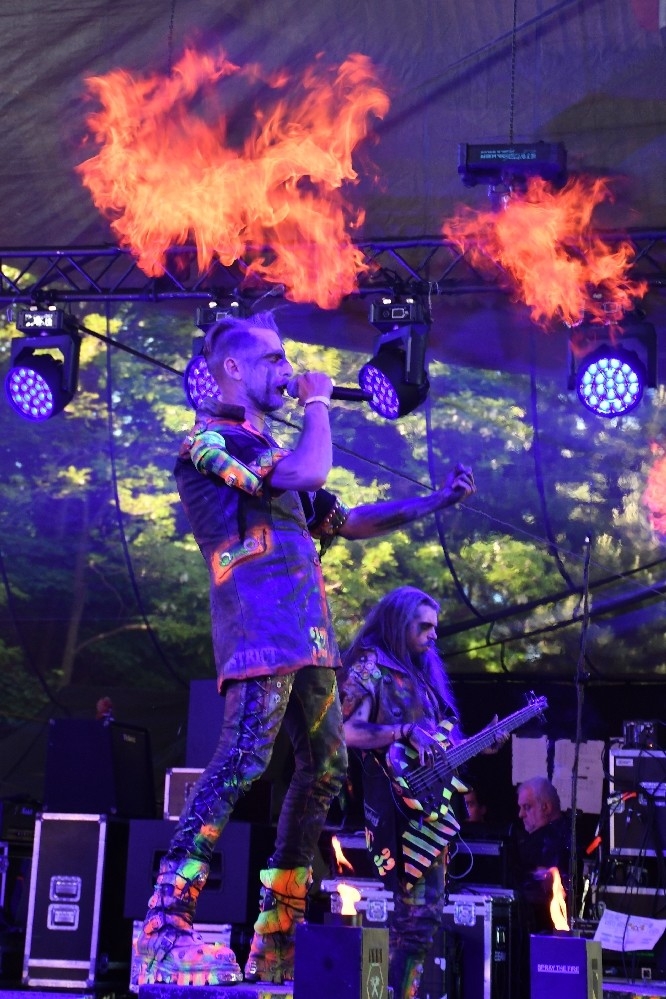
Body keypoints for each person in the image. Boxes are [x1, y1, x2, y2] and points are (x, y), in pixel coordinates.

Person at [133, 311, 477, 987]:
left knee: (324, 769)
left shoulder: (274, 461)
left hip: (310, 640)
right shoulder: (210, 443)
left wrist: (436, 501)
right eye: (272, 359)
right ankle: (165, 925)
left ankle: (277, 934)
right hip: (260, 633)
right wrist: (318, 401)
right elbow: (310, 465)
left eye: (286, 359)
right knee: (243, 759)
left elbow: (348, 520)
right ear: (233, 369)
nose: (286, 370)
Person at [340, 586, 507, 999]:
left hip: (430, 812)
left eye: (435, 627)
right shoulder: (370, 666)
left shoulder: (422, 674)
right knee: (415, 920)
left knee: (423, 920)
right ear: (399, 623)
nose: (434, 635)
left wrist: (480, 744)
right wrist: (402, 731)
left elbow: (438, 747)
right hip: (396, 810)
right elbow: (347, 731)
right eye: (424, 626)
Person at [508, 776, 572, 998]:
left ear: (546, 807)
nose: (520, 815)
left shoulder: (551, 840)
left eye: (527, 807)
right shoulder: (557, 835)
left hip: (546, 942)